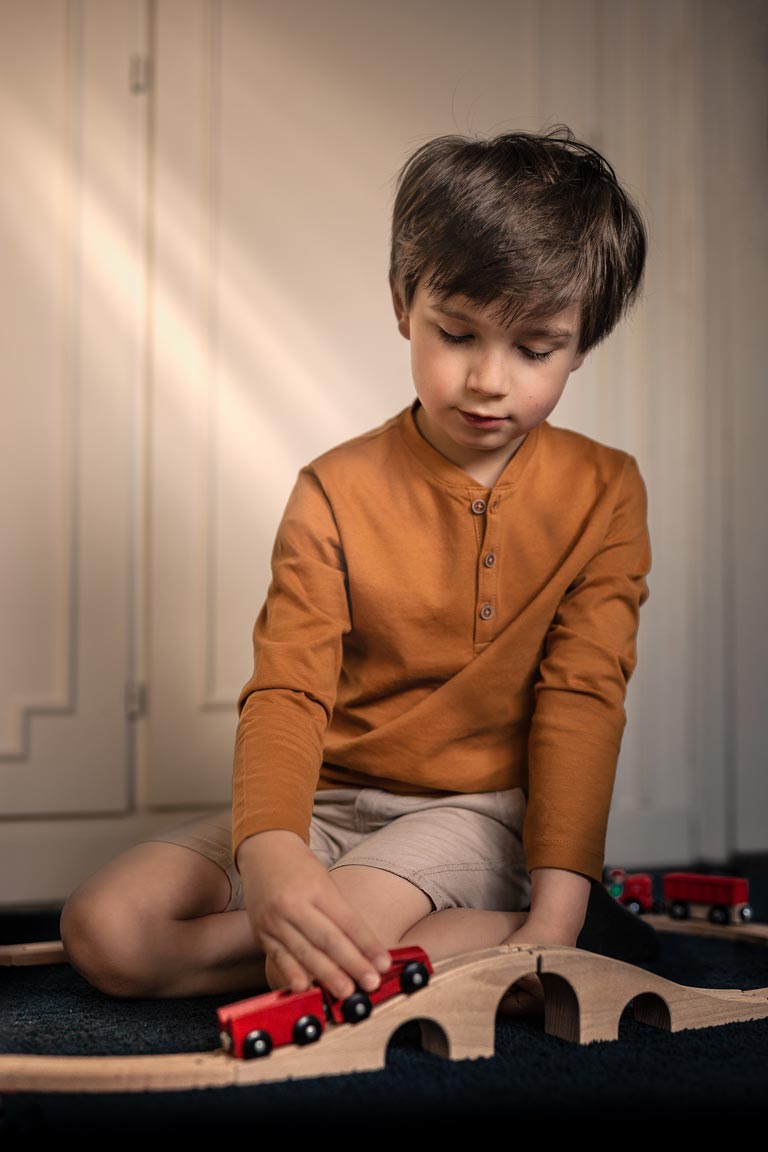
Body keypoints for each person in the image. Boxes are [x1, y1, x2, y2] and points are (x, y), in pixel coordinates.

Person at [60, 126, 656, 1014]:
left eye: (535, 350)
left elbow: (582, 699)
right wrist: (273, 856)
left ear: (582, 345)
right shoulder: (333, 490)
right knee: (103, 929)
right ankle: (420, 954)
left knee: (325, 946)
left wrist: (558, 918)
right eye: (457, 333)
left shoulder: (607, 490)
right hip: (330, 800)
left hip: (475, 810)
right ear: (401, 303)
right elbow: (288, 690)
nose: (490, 379)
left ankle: (542, 940)